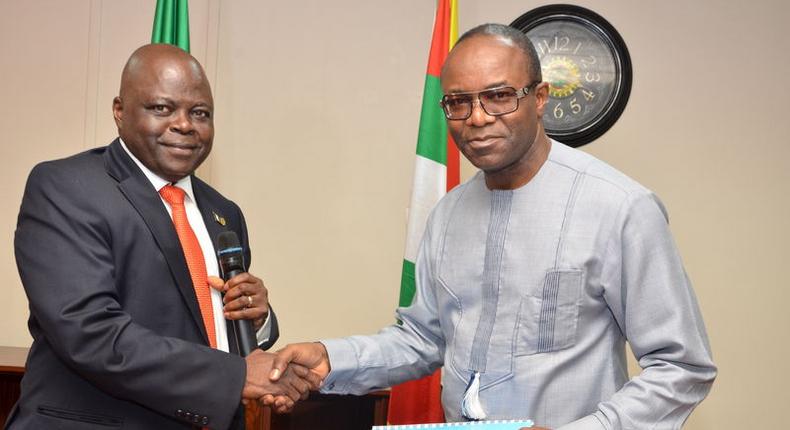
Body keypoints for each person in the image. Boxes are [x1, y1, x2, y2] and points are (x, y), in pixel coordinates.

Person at [271, 24, 717, 429]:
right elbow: (424, 339)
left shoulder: (620, 208)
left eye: (499, 95)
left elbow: (681, 367)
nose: (478, 118)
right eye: (458, 102)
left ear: (539, 98)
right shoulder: (447, 214)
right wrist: (332, 358)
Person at [8, 44, 317, 430]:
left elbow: (212, 334)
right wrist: (236, 375)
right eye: (162, 108)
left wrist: (258, 321)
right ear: (120, 111)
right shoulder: (67, 187)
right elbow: (88, 332)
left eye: (200, 113)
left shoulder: (224, 213)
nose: (185, 124)